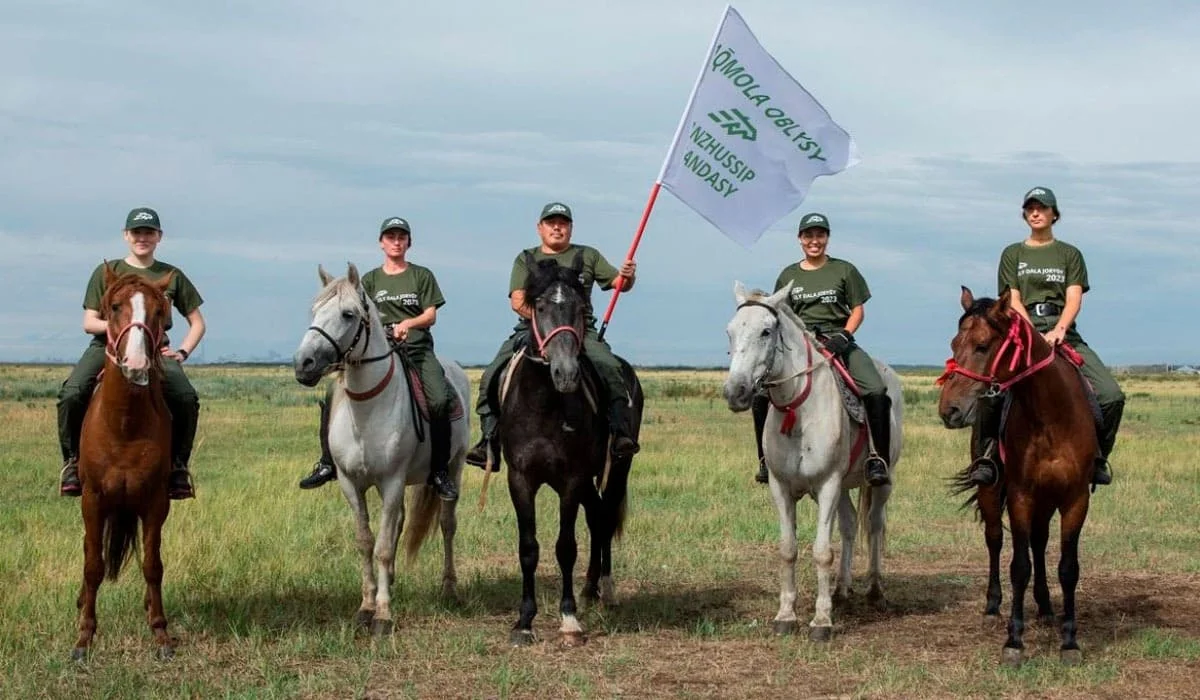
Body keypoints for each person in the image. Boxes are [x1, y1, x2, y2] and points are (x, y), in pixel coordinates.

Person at [965, 186, 1121, 487]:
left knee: (1111, 395)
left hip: (1064, 333)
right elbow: (1012, 298)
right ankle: (985, 457)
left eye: (1042, 208)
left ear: (1054, 214)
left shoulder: (1069, 254)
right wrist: (1032, 333)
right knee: (991, 391)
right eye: (1030, 208)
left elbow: (1074, 297)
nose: (1035, 213)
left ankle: (1097, 457)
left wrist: (1060, 329)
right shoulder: (1013, 253)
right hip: (1020, 333)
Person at [464, 202, 638, 468]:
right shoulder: (526, 258)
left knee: (610, 367)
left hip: (579, 330)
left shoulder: (588, 255)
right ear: (540, 228)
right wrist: (544, 325)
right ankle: (489, 440)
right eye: (551, 222)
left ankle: (619, 433)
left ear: (570, 228)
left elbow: (619, 285)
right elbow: (518, 301)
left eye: (563, 223)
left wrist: (628, 276)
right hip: (534, 329)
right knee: (491, 374)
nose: (557, 227)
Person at [298, 216, 458, 501]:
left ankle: (439, 470)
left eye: (401, 236)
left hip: (417, 350)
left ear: (408, 242)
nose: (396, 241)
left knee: (439, 398)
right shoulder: (368, 280)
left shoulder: (421, 275)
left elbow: (431, 314)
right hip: (376, 352)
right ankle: (326, 463)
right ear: (381, 243)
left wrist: (408, 324)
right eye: (390, 237)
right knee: (331, 394)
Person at [58, 207, 205, 499]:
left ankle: (177, 468)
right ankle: (73, 462)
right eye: (136, 232)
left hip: (155, 349)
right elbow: (89, 322)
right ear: (126, 236)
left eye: (149, 232)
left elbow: (197, 322)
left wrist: (183, 351)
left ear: (159, 237)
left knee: (186, 398)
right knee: (72, 393)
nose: (142, 238)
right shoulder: (106, 272)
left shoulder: (170, 275)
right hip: (107, 345)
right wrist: (124, 330)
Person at [751, 212, 892, 487]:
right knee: (760, 394)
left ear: (827, 237)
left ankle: (878, 458)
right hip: (799, 345)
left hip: (838, 341)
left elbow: (858, 310)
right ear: (800, 239)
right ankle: (764, 460)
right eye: (808, 235)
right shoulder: (788, 275)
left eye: (820, 235)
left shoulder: (844, 270)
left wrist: (844, 335)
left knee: (875, 389)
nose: (814, 241)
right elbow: (780, 315)